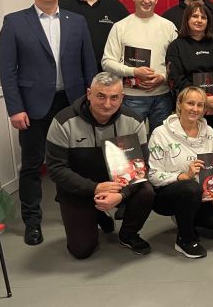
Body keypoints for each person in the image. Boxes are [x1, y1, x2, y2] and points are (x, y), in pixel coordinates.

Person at [0, 0, 97, 245]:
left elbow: (88, 63)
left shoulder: (76, 21)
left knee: (80, 160)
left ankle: (87, 212)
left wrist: (92, 99)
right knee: (32, 165)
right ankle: (32, 222)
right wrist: (15, 108)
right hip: (33, 106)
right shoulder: (15, 22)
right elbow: (8, 71)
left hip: (72, 102)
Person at [45, 72, 154, 258]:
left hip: (117, 186)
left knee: (146, 191)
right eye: (101, 96)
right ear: (89, 94)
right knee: (81, 250)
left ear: (122, 97)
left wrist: (121, 194)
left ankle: (128, 234)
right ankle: (97, 214)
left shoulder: (134, 122)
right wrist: (95, 188)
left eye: (114, 97)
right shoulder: (63, 122)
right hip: (78, 188)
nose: (107, 104)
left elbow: (142, 166)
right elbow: (56, 169)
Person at [148, 87, 213, 258]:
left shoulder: (209, 132)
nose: (195, 109)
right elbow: (153, 175)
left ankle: (185, 217)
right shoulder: (160, 134)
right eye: (190, 103)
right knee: (190, 188)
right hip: (168, 194)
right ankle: (185, 239)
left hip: (203, 194)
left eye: (200, 105)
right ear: (179, 104)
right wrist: (184, 176)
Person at [102, 0, 178, 133]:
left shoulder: (169, 27)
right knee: (130, 142)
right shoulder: (120, 27)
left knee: (161, 142)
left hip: (162, 97)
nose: (147, 0)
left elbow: (178, 63)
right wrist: (134, 72)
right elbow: (107, 62)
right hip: (131, 98)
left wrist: (163, 77)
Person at [166, 1, 213, 132]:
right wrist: (204, 101)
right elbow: (177, 80)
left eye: (203, 17)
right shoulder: (176, 46)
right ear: (187, 19)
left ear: (208, 21)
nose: (199, 20)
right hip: (190, 108)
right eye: (194, 16)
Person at [58, 0, 128, 70]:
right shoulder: (60, 6)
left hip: (109, 75)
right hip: (72, 75)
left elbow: (128, 43)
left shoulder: (116, 7)